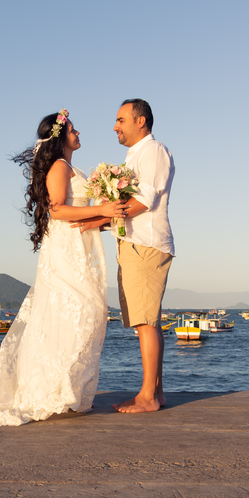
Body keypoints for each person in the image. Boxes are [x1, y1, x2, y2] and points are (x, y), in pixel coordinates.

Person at [0, 110, 127, 426]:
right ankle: (50, 391)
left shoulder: (70, 166)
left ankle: (67, 390)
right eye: (73, 130)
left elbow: (81, 217)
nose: (78, 133)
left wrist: (108, 216)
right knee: (77, 310)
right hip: (65, 250)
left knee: (85, 312)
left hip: (80, 244)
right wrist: (103, 207)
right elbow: (58, 209)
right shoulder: (59, 167)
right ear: (60, 137)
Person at [80, 99, 175, 414]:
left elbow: (144, 201)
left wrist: (98, 220)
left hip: (145, 243)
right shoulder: (135, 155)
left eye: (121, 120)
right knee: (146, 321)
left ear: (141, 121)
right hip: (133, 243)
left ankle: (148, 397)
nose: (115, 126)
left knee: (145, 321)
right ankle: (155, 393)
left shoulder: (153, 152)